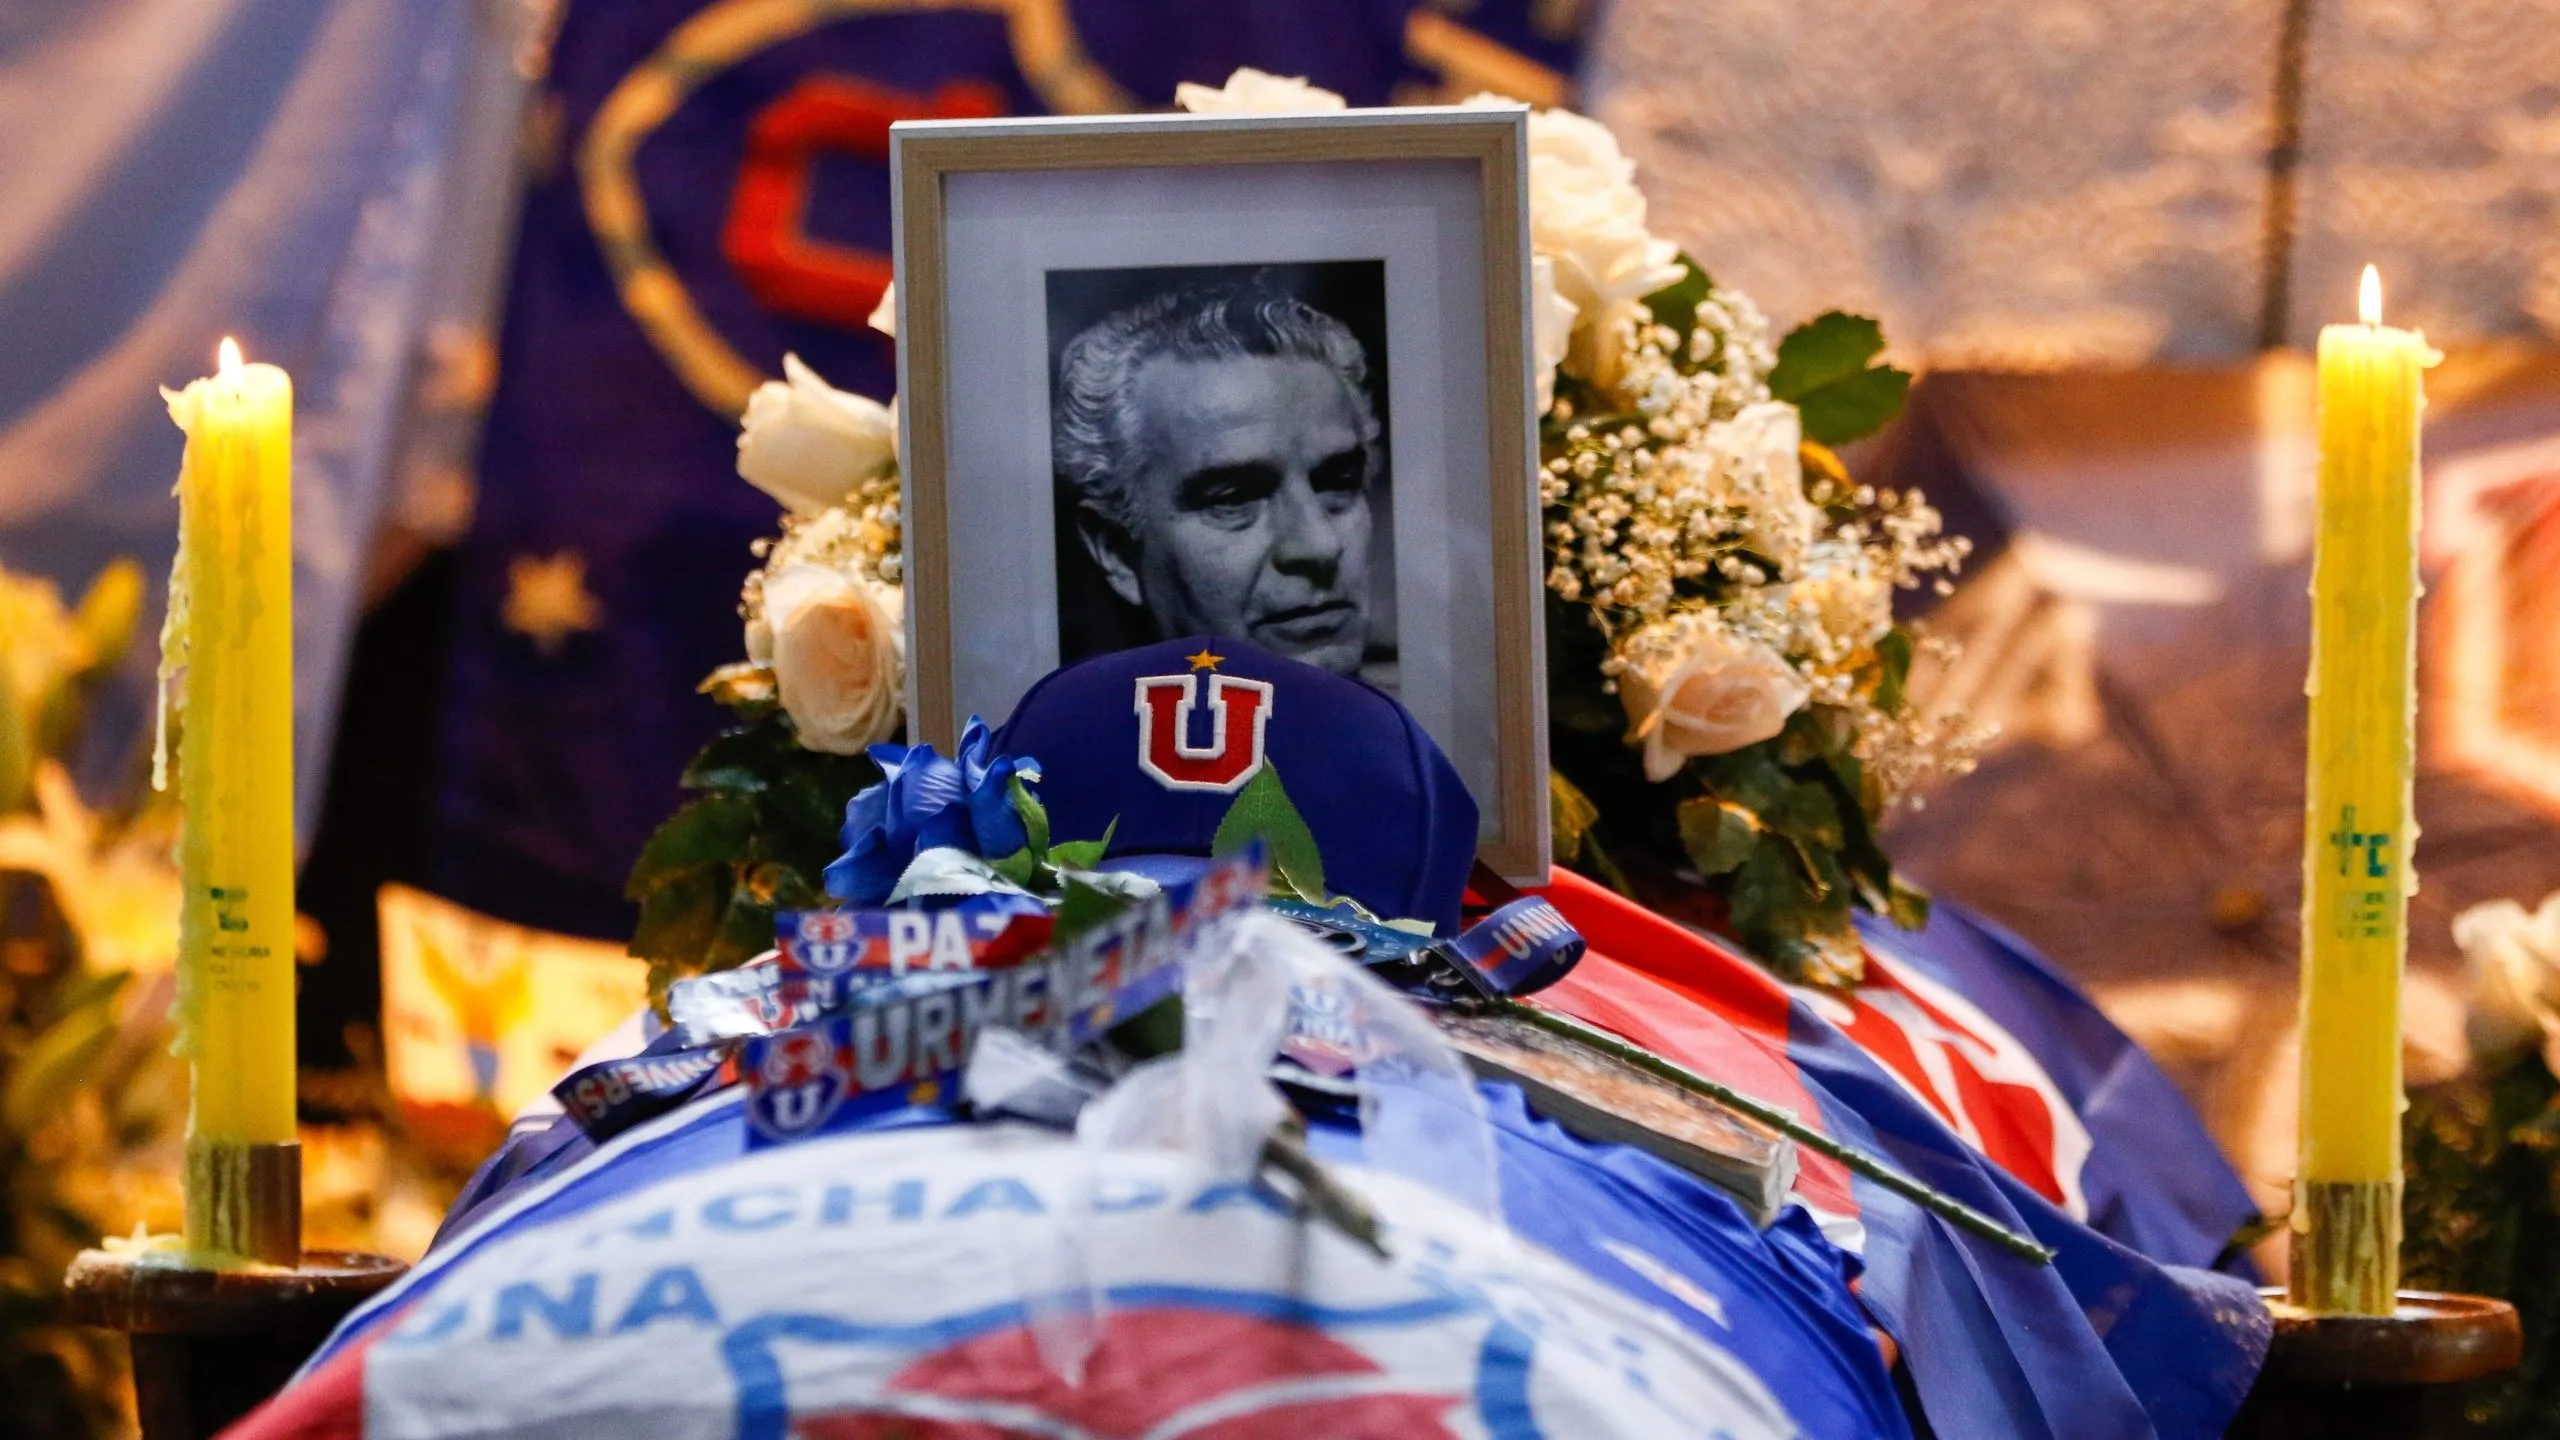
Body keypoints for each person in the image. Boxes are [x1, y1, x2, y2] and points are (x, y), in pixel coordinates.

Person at [1053, 282, 1383, 678]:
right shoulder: (1058, 737)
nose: (1320, 545)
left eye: (1338, 483)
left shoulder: (1422, 731)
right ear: (1116, 550)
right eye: (1233, 499)